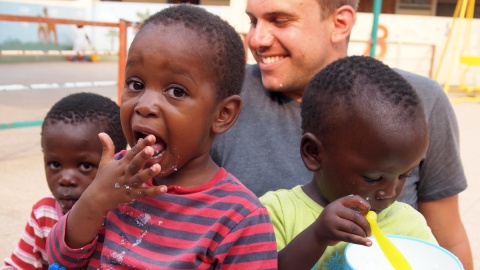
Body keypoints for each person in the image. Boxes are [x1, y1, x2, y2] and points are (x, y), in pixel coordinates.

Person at [211, 0, 473, 268]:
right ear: (312, 152)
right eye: (253, 21)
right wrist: (316, 236)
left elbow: (448, 239)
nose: (257, 39)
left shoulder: (419, 101)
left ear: (340, 23)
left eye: (280, 21)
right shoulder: (221, 98)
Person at [46, 4, 277, 269]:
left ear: (222, 114)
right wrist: (95, 200)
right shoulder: (113, 179)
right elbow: (59, 258)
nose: (145, 105)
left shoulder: (240, 219)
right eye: (136, 84)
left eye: (176, 91)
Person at [260, 55, 437, 269]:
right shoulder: (276, 213)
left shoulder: (409, 225)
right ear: (314, 153)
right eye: (373, 178)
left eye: (404, 175)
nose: (389, 191)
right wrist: (316, 237)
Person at [2, 92, 126, 270]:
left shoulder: (127, 215)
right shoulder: (44, 213)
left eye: (85, 166)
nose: (66, 179)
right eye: (55, 164)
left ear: (118, 162)